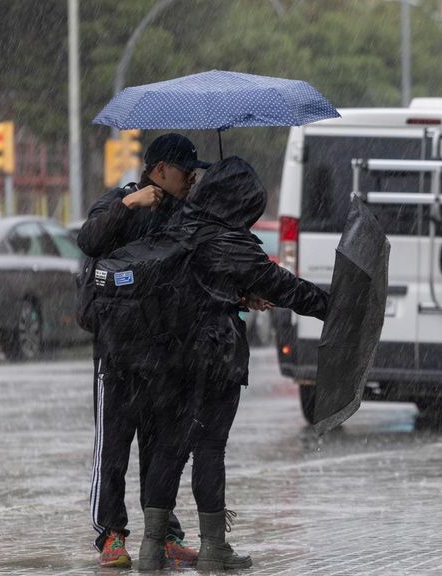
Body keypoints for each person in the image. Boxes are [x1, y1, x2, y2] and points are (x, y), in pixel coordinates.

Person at [132, 157, 329, 571]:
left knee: (169, 446)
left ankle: (151, 547)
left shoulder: (176, 228)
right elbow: (284, 287)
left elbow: (191, 286)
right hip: (213, 356)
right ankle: (213, 547)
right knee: (208, 449)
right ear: (240, 204)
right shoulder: (232, 244)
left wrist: (234, 296)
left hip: (167, 355)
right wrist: (333, 306)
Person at [78, 133, 209, 568]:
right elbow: (90, 240)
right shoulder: (118, 204)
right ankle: (111, 536)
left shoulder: (184, 217)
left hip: (164, 354)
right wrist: (129, 205)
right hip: (116, 356)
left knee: (161, 450)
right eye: (185, 171)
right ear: (159, 170)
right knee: (112, 450)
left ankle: (164, 532)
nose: (192, 179)